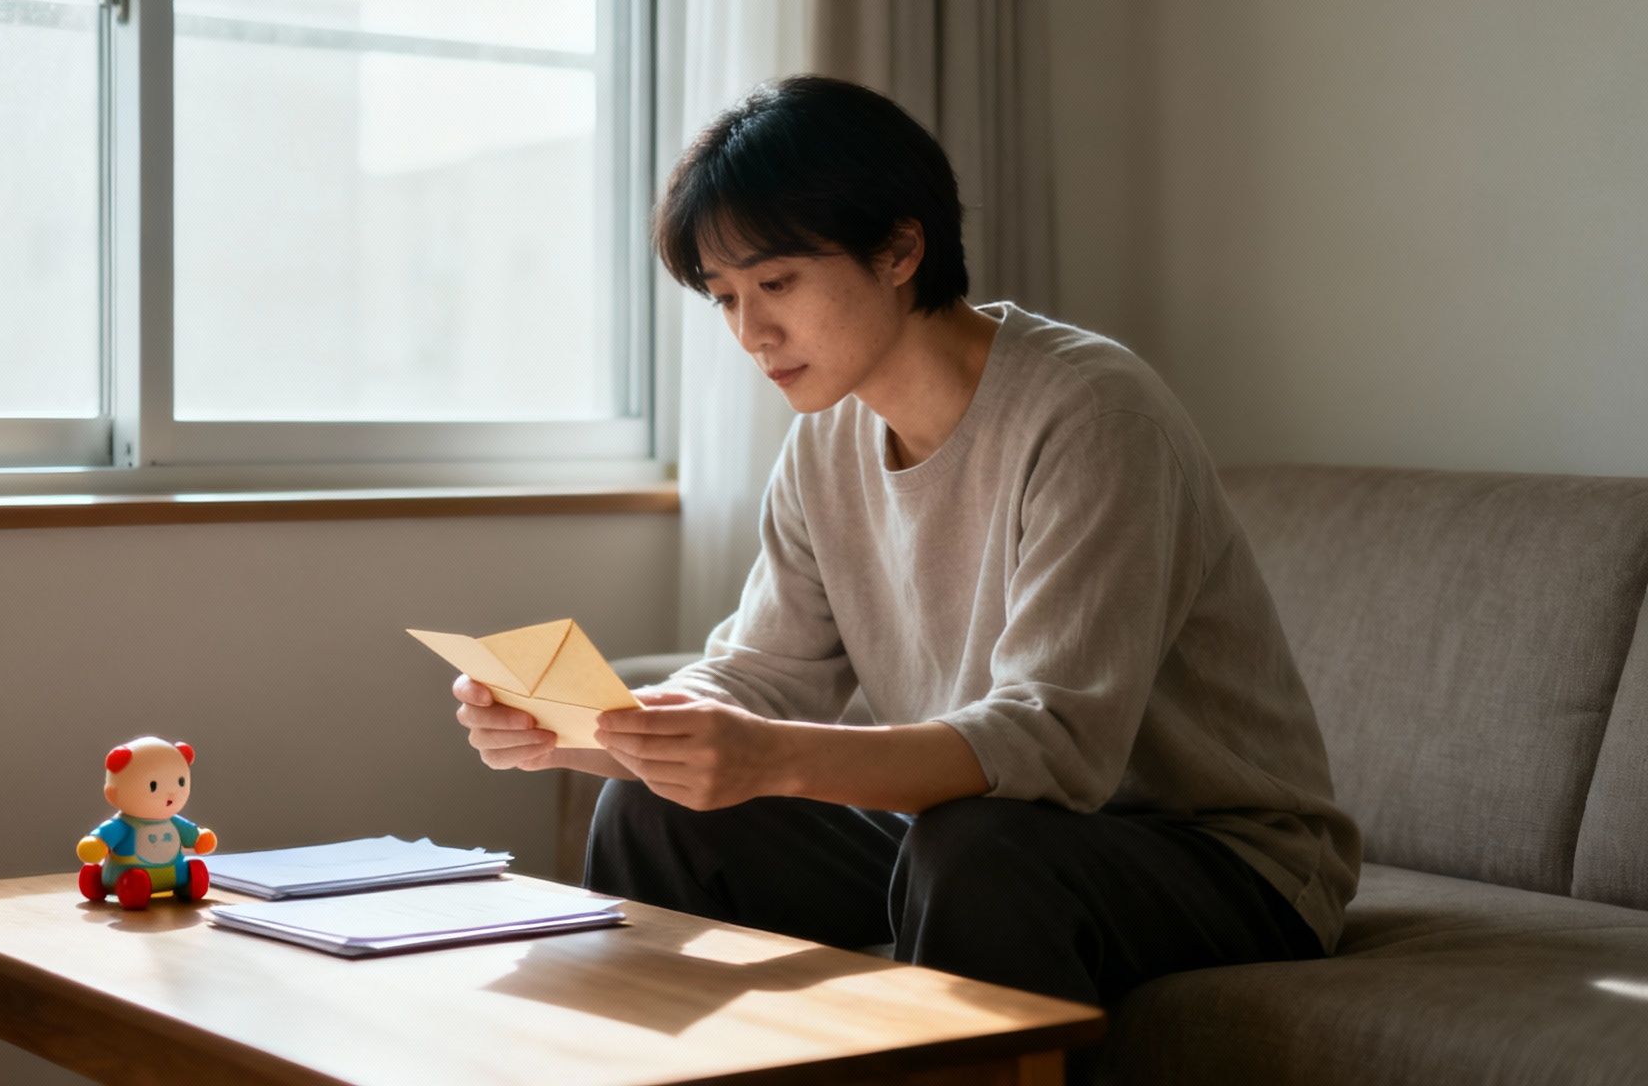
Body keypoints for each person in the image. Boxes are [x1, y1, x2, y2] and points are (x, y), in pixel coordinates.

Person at [447, 75, 1358, 1007]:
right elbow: (760, 673)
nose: (752, 332)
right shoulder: (824, 440)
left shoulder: (1092, 414)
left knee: (978, 849)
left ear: (898, 250)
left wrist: (769, 756)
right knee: (653, 811)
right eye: (723, 298)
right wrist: (589, 727)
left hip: (1222, 857)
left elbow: (1053, 745)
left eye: (777, 282)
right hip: (978, 823)